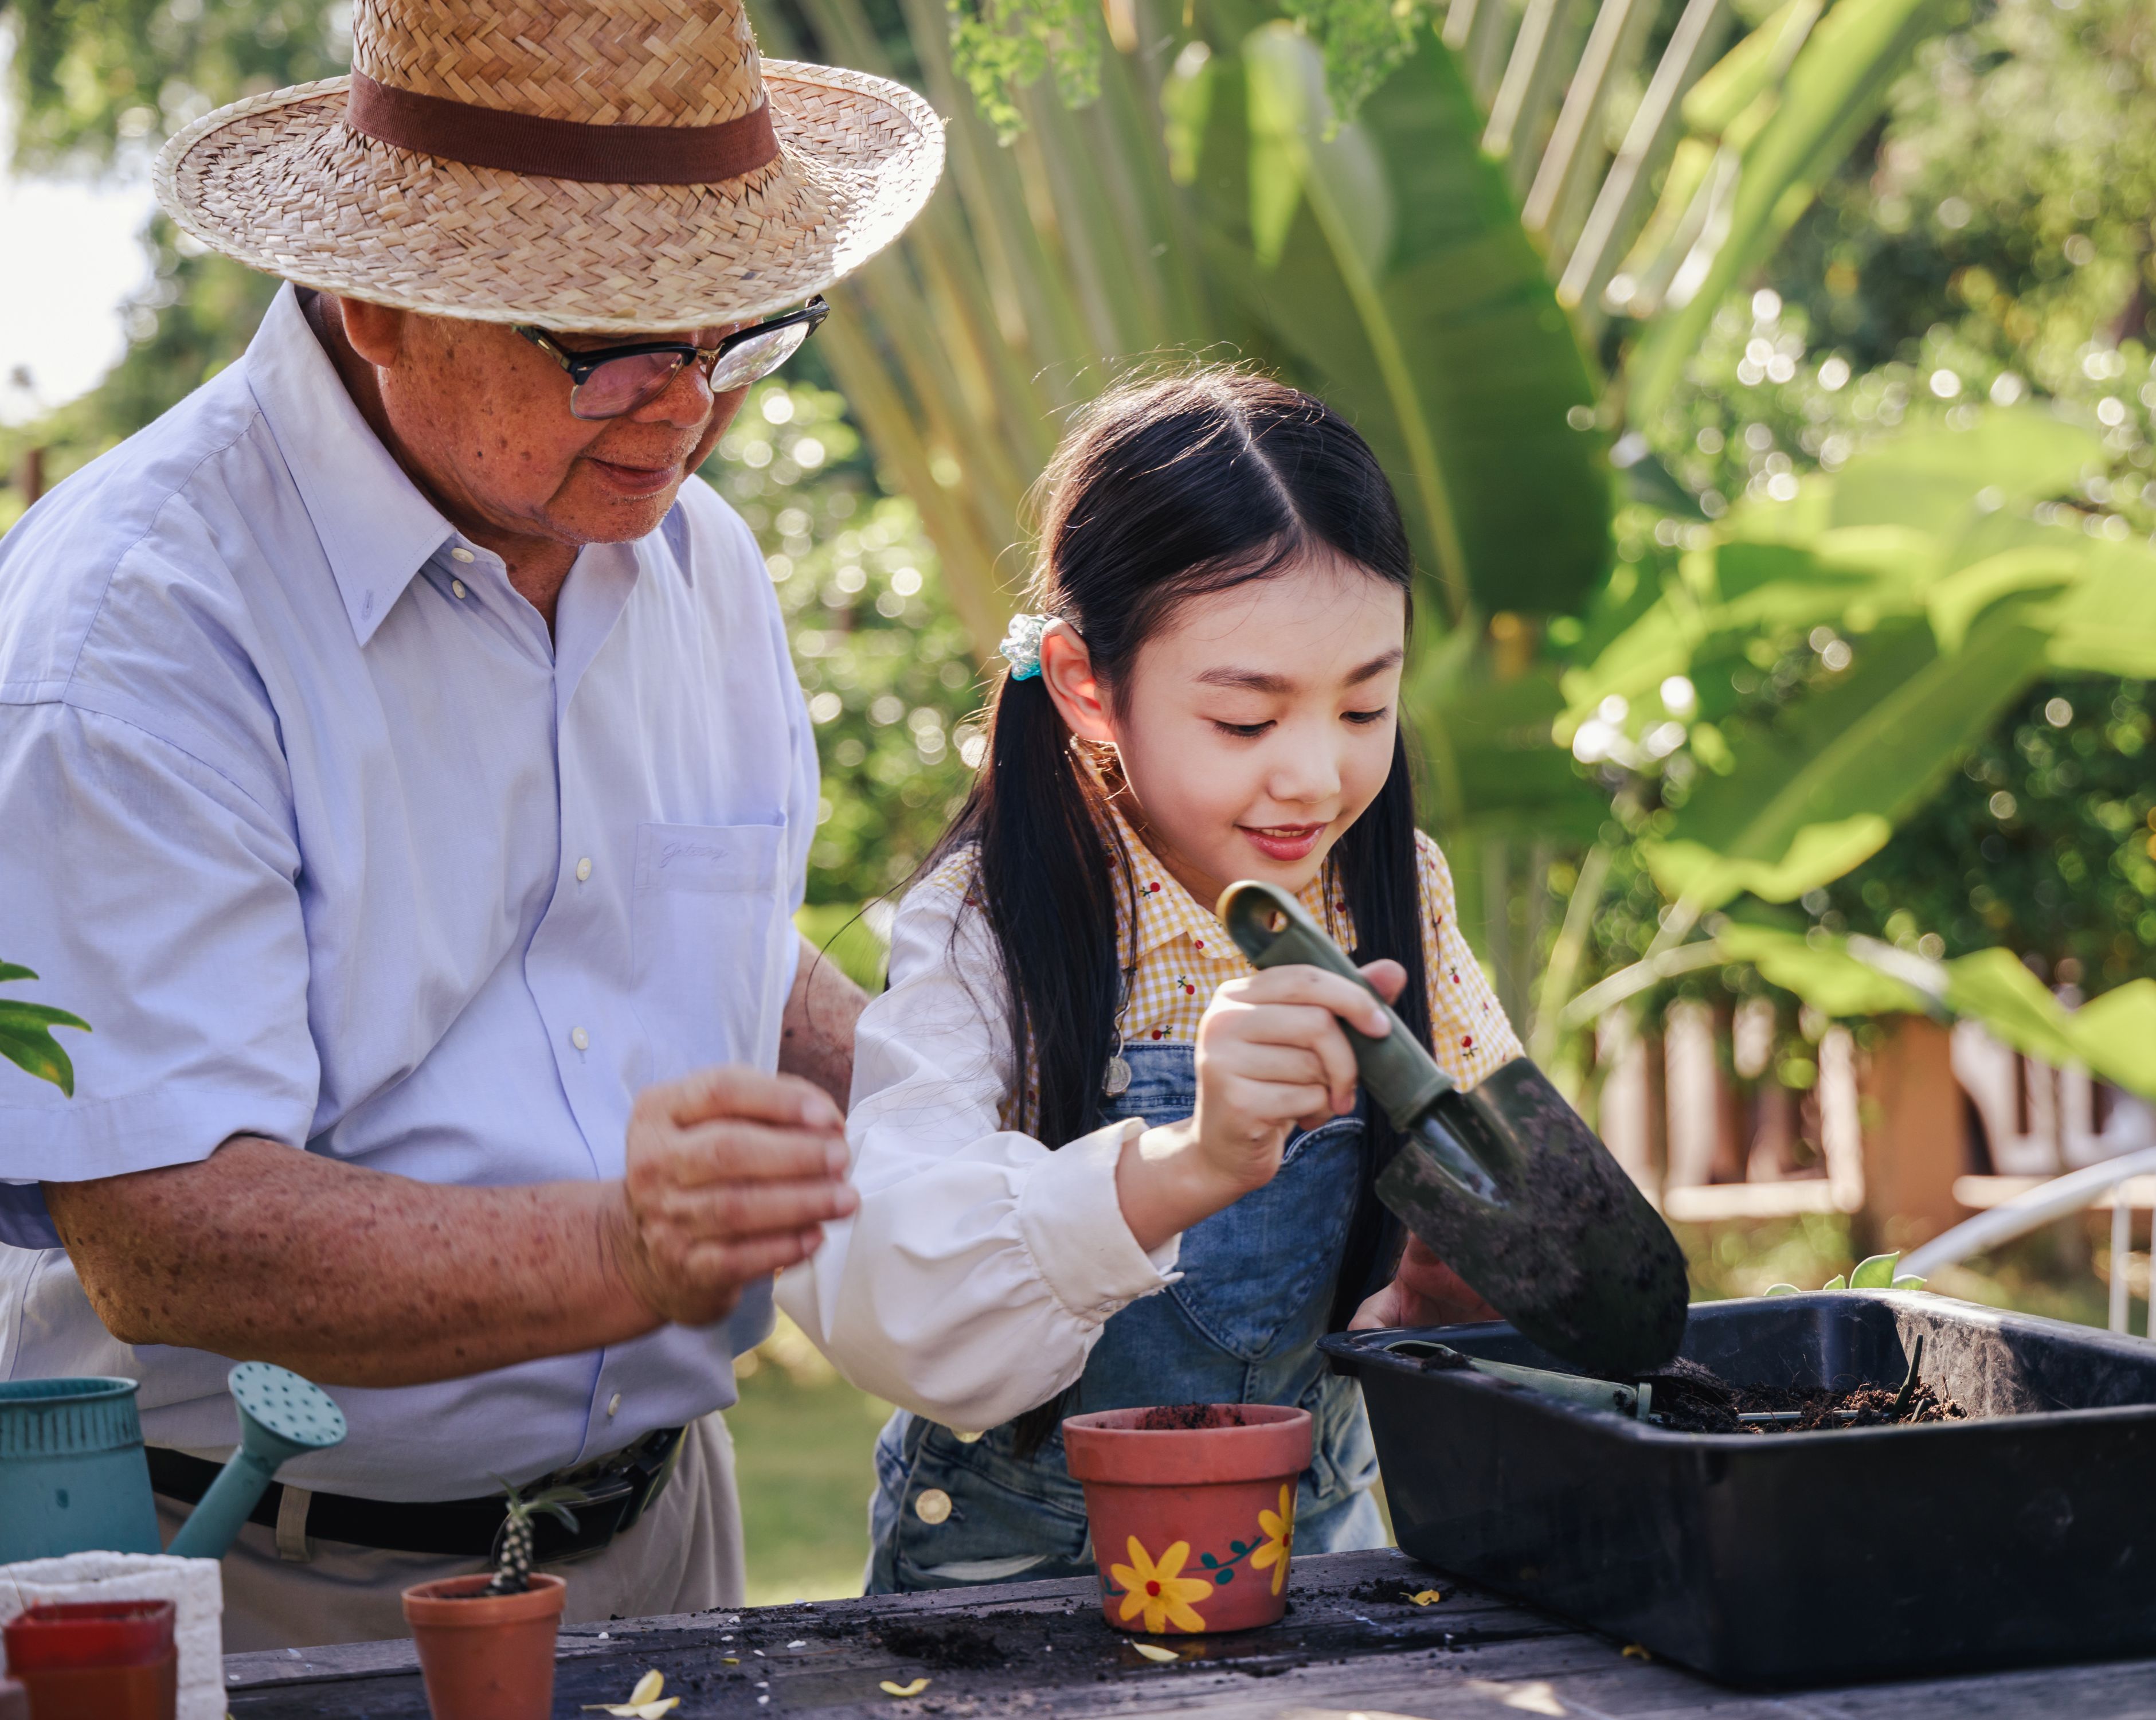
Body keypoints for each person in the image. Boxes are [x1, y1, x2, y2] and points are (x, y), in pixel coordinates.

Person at [0, 0, 941, 1647]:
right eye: (609, 348)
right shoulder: (139, 630)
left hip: (660, 1540)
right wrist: (624, 1249)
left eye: (741, 336)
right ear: (375, 298)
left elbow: (688, 930)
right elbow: (165, 1231)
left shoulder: (696, 564)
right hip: (263, 1572)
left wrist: (987, 1091)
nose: (688, 409)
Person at [774, 371, 1519, 1592]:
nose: (1316, 778)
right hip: (1014, 1593)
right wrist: (1196, 1161)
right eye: (1245, 721)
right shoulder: (993, 921)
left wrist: (1451, 1292)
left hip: (1305, 1565)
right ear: (1084, 685)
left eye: (1365, 706)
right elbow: (890, 1289)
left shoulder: (1397, 892)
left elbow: (1518, 1230)